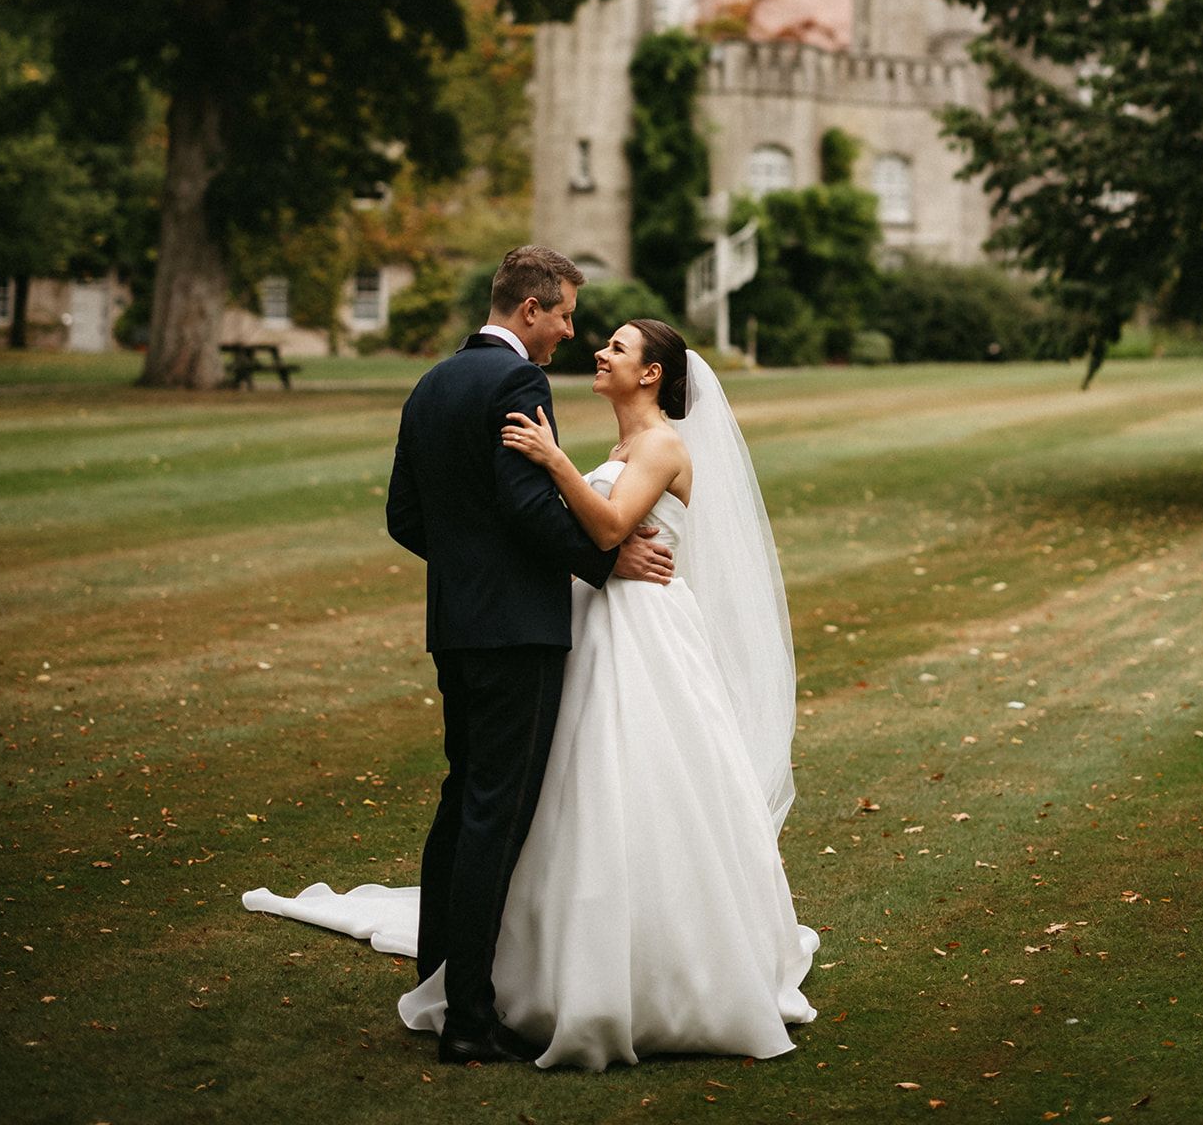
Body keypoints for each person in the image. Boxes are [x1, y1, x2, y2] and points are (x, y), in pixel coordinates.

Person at [246, 312, 815, 1069]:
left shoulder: (662, 444)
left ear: (651, 374)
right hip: (596, 625)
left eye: (616, 345)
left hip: (643, 633)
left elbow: (611, 529)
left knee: (639, 777)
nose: (595, 348)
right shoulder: (620, 445)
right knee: (563, 789)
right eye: (593, 333)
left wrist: (552, 461)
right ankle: (545, 959)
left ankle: (661, 964)